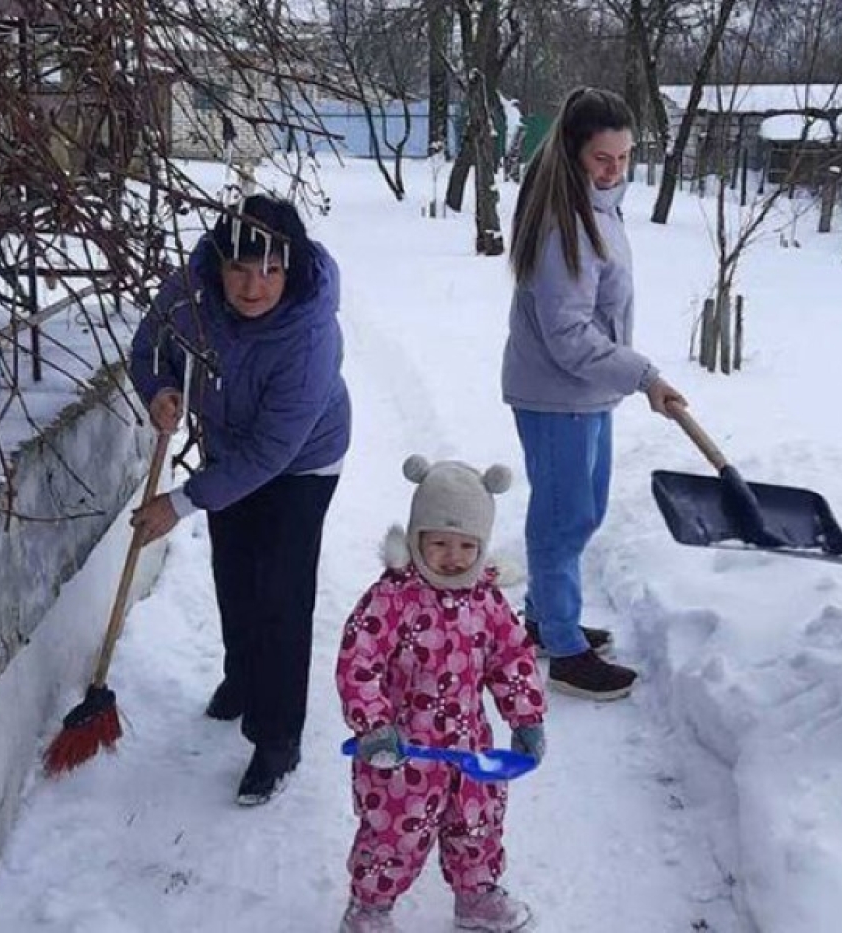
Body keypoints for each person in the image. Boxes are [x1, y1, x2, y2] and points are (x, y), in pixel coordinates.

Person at [128, 194, 351, 806]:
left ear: (292, 269)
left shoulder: (309, 336)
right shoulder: (190, 293)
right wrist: (161, 389)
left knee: (280, 591)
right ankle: (243, 677)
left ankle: (278, 738)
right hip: (230, 450)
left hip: (302, 463)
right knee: (234, 572)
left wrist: (179, 502)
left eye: (271, 271)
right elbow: (148, 346)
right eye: (241, 269)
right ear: (218, 263)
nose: (254, 287)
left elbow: (273, 453)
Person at [502, 87, 687, 702]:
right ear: (574, 153)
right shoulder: (567, 223)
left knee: (580, 510)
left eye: (626, 157)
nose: (616, 169)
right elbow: (568, 334)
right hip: (559, 391)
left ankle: (542, 620)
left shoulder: (597, 205)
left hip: (585, 391)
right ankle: (565, 651)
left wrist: (628, 376)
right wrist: (644, 375)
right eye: (603, 158)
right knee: (564, 519)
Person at [336, 456, 546, 933]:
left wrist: (526, 717)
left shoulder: (487, 600)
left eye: (466, 545)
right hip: (401, 753)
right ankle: (370, 906)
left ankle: (476, 896)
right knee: (391, 834)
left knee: (477, 826)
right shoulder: (392, 598)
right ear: (416, 539)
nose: (453, 556)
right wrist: (373, 726)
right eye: (440, 543)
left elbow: (512, 658)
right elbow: (359, 661)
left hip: (469, 749)